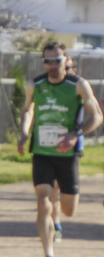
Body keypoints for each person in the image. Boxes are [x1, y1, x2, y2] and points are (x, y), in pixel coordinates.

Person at [17, 42, 101, 257]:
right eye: (48, 61)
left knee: (68, 209)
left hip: (67, 154)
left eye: (57, 60)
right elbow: (27, 109)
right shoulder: (36, 84)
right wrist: (24, 133)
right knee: (43, 201)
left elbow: (97, 116)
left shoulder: (78, 85)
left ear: (66, 60)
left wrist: (76, 134)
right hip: (42, 152)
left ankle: (58, 209)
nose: (52, 65)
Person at [49, 56, 82, 241]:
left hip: (74, 145)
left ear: (73, 70)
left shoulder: (79, 89)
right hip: (50, 144)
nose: (65, 71)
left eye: (68, 68)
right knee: (53, 187)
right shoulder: (49, 88)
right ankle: (56, 225)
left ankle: (62, 214)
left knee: (68, 199)